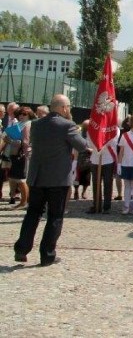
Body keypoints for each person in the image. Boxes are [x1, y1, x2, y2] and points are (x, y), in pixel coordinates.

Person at [14, 94, 87, 266]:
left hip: (38, 177)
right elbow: (82, 146)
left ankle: (21, 249)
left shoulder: (36, 124)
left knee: (32, 214)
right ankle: (47, 254)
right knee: (55, 217)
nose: (69, 109)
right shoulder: (67, 125)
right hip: (57, 179)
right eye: (68, 106)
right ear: (63, 108)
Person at [6, 106, 35, 209]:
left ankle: (24, 202)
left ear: (29, 115)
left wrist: (11, 141)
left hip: (23, 154)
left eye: (24, 114)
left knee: (21, 179)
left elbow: (25, 142)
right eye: (20, 114)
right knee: (16, 178)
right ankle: (23, 201)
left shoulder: (28, 124)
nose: (21, 116)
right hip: (17, 153)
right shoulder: (20, 124)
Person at [73, 119, 93, 200]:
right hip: (79, 158)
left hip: (88, 159)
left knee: (87, 178)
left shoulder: (92, 135)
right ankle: (76, 191)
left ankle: (84, 191)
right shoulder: (78, 134)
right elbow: (76, 146)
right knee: (77, 177)